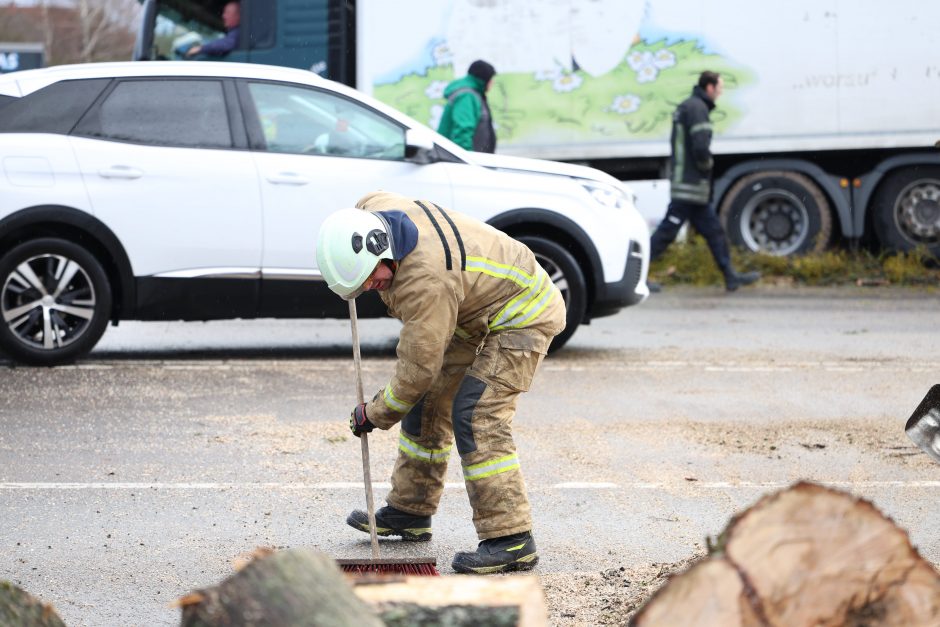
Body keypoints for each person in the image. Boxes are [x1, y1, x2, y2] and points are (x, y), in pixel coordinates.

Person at [316, 191, 566, 574]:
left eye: (370, 279)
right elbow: (423, 383)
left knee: (476, 413)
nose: (369, 287)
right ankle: (409, 511)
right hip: (471, 308)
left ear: (383, 253)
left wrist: (374, 413)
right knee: (427, 403)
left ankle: (511, 539)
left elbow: (417, 370)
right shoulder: (373, 212)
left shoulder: (425, 284)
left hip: (523, 312)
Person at [649, 71, 760, 292]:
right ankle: (635, 277)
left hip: (691, 187)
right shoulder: (697, 108)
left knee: (713, 231)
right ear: (709, 87)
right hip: (689, 186)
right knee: (666, 233)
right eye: (719, 86)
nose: (721, 91)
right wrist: (707, 166)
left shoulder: (690, 106)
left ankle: (730, 276)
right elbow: (700, 147)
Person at [437, 60, 497, 153]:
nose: (493, 82)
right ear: (484, 79)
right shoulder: (467, 96)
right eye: (491, 79)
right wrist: (466, 159)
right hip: (467, 162)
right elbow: (463, 130)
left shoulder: (472, 94)